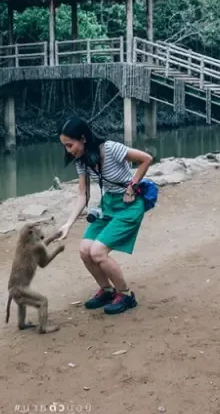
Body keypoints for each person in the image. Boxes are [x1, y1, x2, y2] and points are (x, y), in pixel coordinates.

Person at [55, 116, 153, 315]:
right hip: (108, 205)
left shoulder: (110, 148)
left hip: (129, 205)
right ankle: (107, 290)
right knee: (84, 250)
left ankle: (126, 295)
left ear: (82, 138)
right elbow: (83, 195)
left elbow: (146, 159)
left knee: (97, 252)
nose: (68, 150)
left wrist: (132, 186)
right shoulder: (81, 161)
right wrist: (68, 224)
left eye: (70, 145)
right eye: (65, 146)